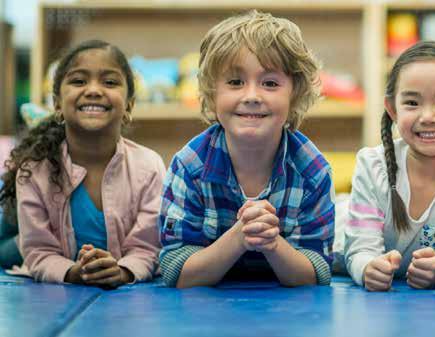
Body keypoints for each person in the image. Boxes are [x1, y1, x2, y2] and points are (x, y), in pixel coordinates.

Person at [158, 10, 334, 288]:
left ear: (295, 94)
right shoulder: (189, 166)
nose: (252, 96)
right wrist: (239, 237)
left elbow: (315, 273)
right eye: (235, 82)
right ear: (212, 92)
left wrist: (271, 243)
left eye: (270, 83)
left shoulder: (312, 170)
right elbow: (176, 271)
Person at [0, 39, 165, 286]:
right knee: (8, 249)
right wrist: (72, 272)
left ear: (129, 104)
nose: (94, 90)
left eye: (110, 82)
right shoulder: (34, 171)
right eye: (78, 81)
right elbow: (39, 252)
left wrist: (122, 271)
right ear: (56, 103)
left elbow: (148, 248)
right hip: (23, 240)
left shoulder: (150, 167)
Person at [343, 41, 435, 291]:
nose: (428, 116)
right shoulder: (372, 165)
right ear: (392, 109)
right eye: (412, 103)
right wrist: (368, 268)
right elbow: (360, 248)